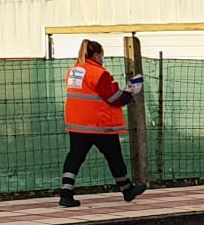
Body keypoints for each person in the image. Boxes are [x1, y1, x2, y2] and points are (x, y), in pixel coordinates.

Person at [60, 39, 146, 208]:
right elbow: (114, 98)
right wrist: (130, 92)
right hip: (100, 124)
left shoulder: (73, 71)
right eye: (102, 55)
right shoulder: (100, 74)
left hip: (77, 124)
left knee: (75, 157)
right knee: (114, 157)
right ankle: (127, 190)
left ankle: (66, 194)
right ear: (97, 54)